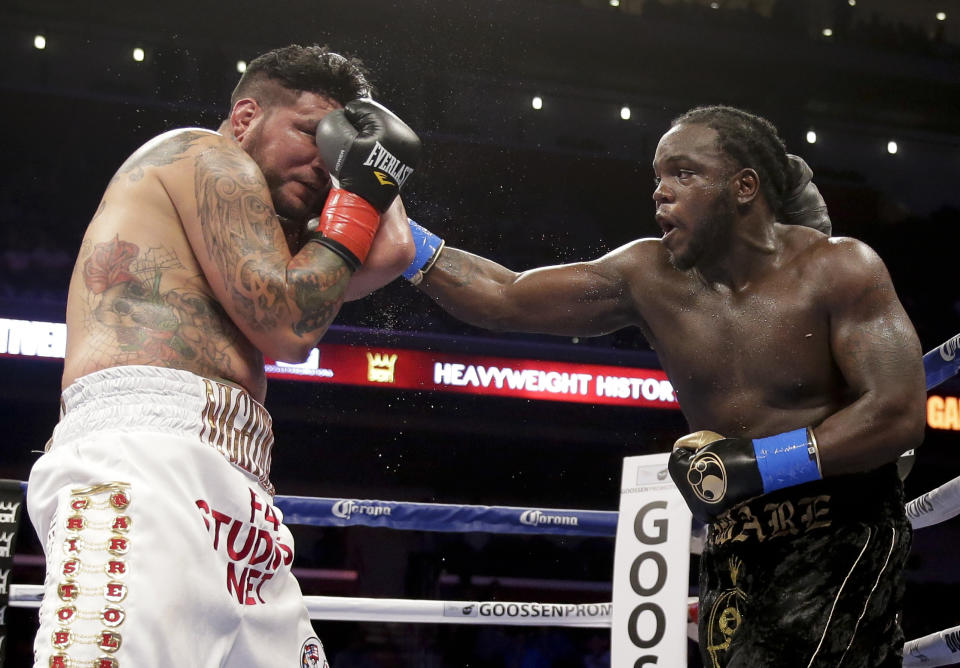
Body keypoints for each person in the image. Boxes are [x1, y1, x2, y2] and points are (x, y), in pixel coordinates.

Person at [402, 105, 926, 667]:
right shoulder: (646, 275)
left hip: (839, 524)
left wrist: (759, 463)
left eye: (683, 173)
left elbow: (896, 412)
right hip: (734, 539)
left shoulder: (840, 268)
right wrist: (385, 229)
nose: (660, 192)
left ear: (744, 186)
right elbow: (505, 296)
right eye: (658, 176)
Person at [27, 44, 421, 667]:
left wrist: (370, 170)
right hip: (147, 457)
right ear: (245, 118)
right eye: (310, 133)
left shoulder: (273, 230)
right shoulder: (204, 155)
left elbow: (392, 253)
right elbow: (288, 324)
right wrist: (358, 197)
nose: (326, 161)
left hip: (239, 484)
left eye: (341, 145)